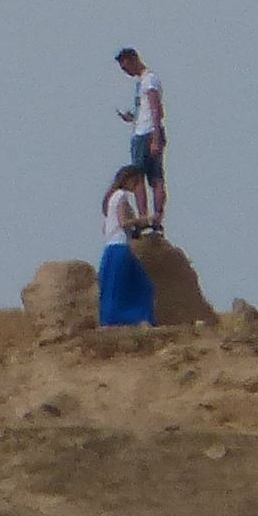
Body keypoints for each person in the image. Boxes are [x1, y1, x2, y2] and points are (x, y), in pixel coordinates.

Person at [98, 164, 159, 327]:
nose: (138, 186)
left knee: (113, 289)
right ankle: (138, 319)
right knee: (143, 286)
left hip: (110, 249)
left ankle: (114, 320)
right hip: (120, 249)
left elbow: (108, 226)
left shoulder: (111, 198)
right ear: (129, 180)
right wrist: (147, 219)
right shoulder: (121, 197)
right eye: (137, 182)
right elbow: (124, 222)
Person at [113, 48, 168, 232]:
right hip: (143, 129)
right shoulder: (142, 82)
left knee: (144, 178)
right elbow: (147, 109)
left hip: (146, 133)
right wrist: (131, 117)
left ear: (134, 59)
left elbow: (156, 109)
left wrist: (155, 137)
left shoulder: (149, 80)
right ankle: (151, 218)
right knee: (152, 177)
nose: (126, 71)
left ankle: (148, 217)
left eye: (126, 66)